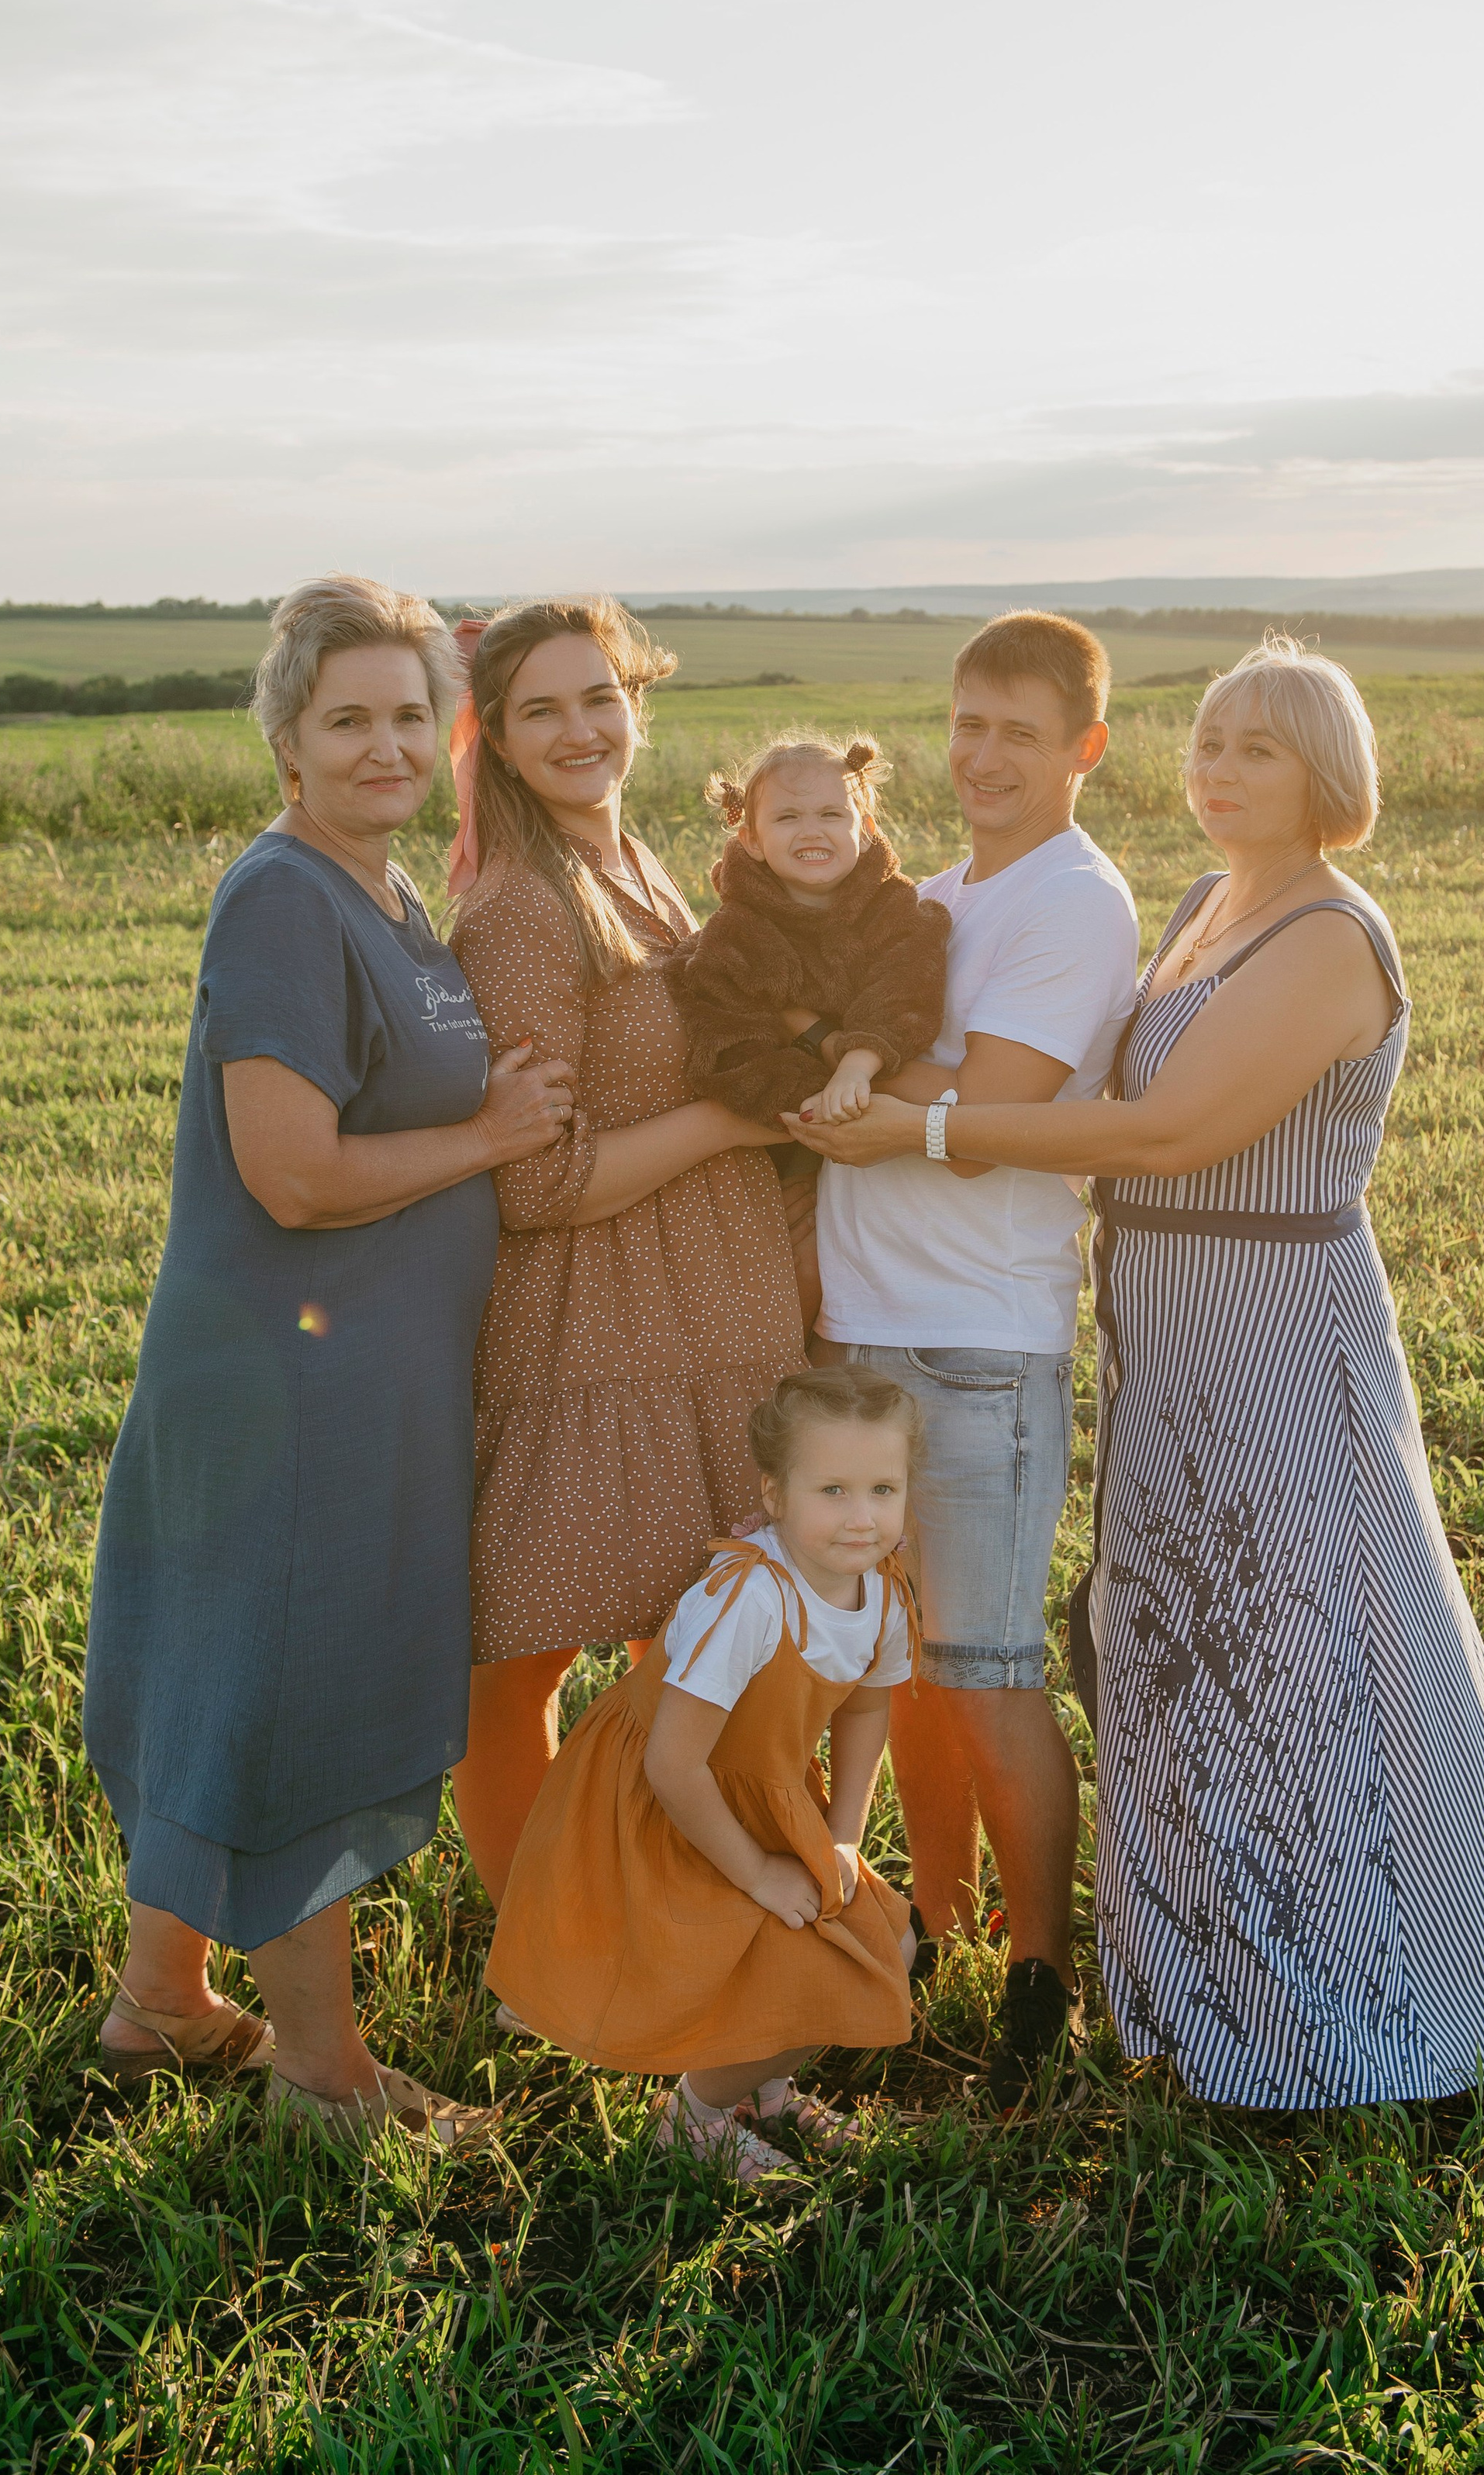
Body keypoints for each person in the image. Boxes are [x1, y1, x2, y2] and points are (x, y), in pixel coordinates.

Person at [799, 636, 1484, 2110]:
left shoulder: (1332, 935)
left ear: (1325, 774)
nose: (1217, 772)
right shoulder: (1214, 905)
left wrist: (929, 1132)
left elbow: (1164, 1134)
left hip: (1272, 1316)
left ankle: (1368, 2009)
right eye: (1208, 743)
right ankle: (1200, 1990)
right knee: (1175, 1651)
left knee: (1307, 1646)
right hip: (1166, 1322)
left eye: (1256, 750)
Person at [84, 577, 575, 2149]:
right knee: (304, 1692)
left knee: (241, 1672)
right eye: (347, 717)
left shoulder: (380, 892)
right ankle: (322, 2075)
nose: (384, 745)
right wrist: (490, 1132)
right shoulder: (286, 895)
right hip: (296, 1385)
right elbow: (289, 1169)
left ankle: (160, 2001)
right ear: (285, 736)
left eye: (409, 716)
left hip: (357, 1379)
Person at [799, 611, 1141, 2107]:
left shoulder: (1074, 899)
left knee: (989, 1673)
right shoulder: (932, 895)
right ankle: (926, 1923)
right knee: (901, 1668)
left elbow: (997, 1093)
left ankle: (1042, 1975)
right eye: (966, 723)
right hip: (860, 1336)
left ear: (1084, 745)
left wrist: (868, 1083)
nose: (984, 754)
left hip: (978, 1345)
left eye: (1019, 729)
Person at [445, 598, 809, 1904]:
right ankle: (543, 1941)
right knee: (522, 1655)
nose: (580, 729)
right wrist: (725, 1118)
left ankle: (698, 1922)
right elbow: (533, 1177)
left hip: (720, 1306)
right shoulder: (521, 913)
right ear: (492, 733)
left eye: (599, 697)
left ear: (638, 703)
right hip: (596, 1324)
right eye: (540, 707)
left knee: (722, 1642)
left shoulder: (642, 865)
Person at [485, 1365, 920, 2183]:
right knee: (782, 1955)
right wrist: (756, 1871)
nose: (861, 1517)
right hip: (661, 1803)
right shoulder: (748, 1598)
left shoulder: (884, 1593)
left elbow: (865, 1709)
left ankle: (764, 2086)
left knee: (881, 1939)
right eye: (832, 1488)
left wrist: (843, 1834)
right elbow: (672, 1761)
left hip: (761, 1791)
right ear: (776, 1493)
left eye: (882, 1488)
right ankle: (696, 2113)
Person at [664, 732, 949, 1327]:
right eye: (787, 817)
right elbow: (726, 1041)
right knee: (795, 1281)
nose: (811, 830)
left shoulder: (898, 912)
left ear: (864, 825)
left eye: (831, 813)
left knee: (865, 1274)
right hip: (779, 1143)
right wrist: (814, 1098)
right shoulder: (736, 935)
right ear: (752, 839)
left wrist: (859, 1058)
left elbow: (905, 993)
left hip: (887, 1143)